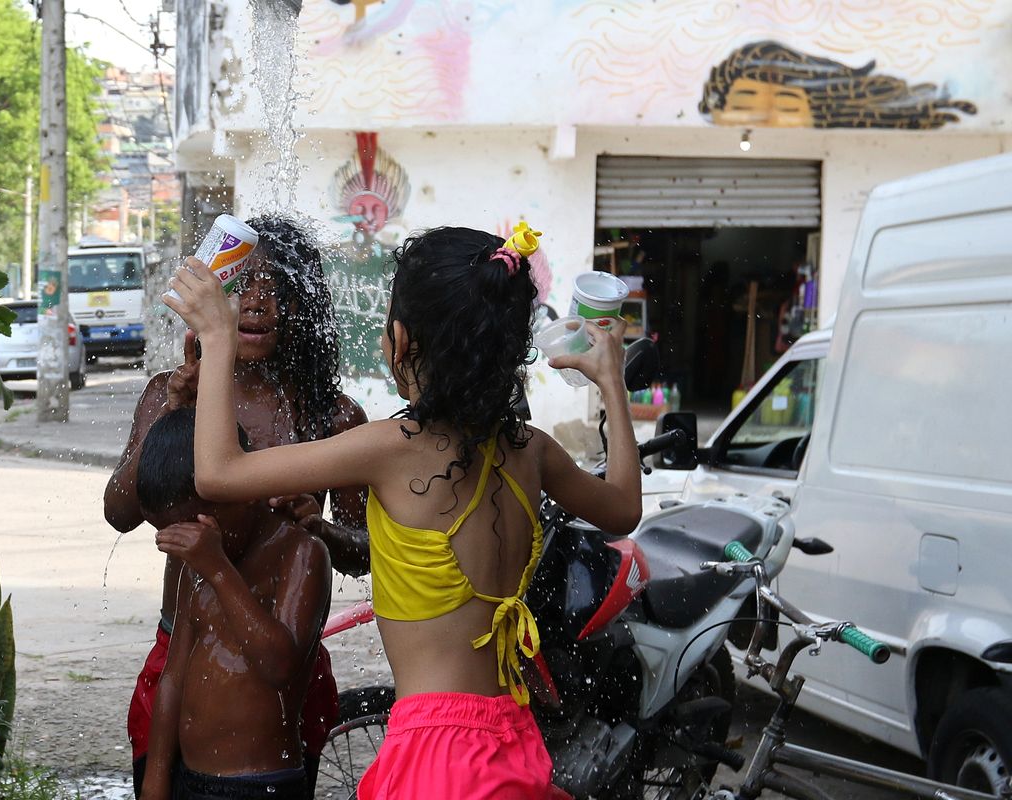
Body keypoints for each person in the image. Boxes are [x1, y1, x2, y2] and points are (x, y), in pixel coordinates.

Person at [166, 225, 642, 798]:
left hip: (435, 755)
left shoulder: (394, 448)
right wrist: (612, 382)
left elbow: (218, 473)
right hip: (511, 737)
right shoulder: (530, 449)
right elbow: (622, 509)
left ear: (399, 339)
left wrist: (218, 337)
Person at [109, 215, 368, 794]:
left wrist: (318, 528)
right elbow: (120, 512)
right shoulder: (171, 393)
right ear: (214, 295)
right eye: (241, 284)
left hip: (281, 659)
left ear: (304, 305)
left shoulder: (332, 418)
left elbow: (364, 552)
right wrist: (170, 413)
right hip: (181, 647)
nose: (256, 302)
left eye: (276, 287)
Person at [137, 407, 331, 800]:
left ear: (236, 492)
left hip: (261, 784)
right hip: (191, 779)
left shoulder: (300, 554)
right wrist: (156, 779)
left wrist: (220, 570)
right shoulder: (199, 566)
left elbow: (279, 666)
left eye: (191, 532)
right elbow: (172, 679)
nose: (187, 549)